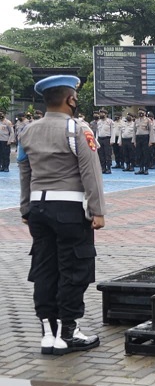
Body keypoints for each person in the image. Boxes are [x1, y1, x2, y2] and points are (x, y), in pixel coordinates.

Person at [17, 75, 104, 355]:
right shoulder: (77, 129)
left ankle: (48, 333)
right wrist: (97, 210)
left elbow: (25, 172)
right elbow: (91, 172)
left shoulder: (27, 131)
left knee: (44, 269)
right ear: (70, 99)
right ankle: (68, 332)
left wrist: (25, 207)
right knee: (74, 269)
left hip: (38, 208)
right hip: (69, 210)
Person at [133, 108, 155, 175]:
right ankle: (141, 168)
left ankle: (146, 169)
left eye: (142, 112)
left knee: (146, 154)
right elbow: (134, 131)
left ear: (145, 113)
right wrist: (134, 141)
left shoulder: (148, 120)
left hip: (145, 137)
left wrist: (151, 141)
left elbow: (151, 131)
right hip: (138, 138)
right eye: (139, 112)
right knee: (139, 154)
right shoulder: (136, 121)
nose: (140, 113)